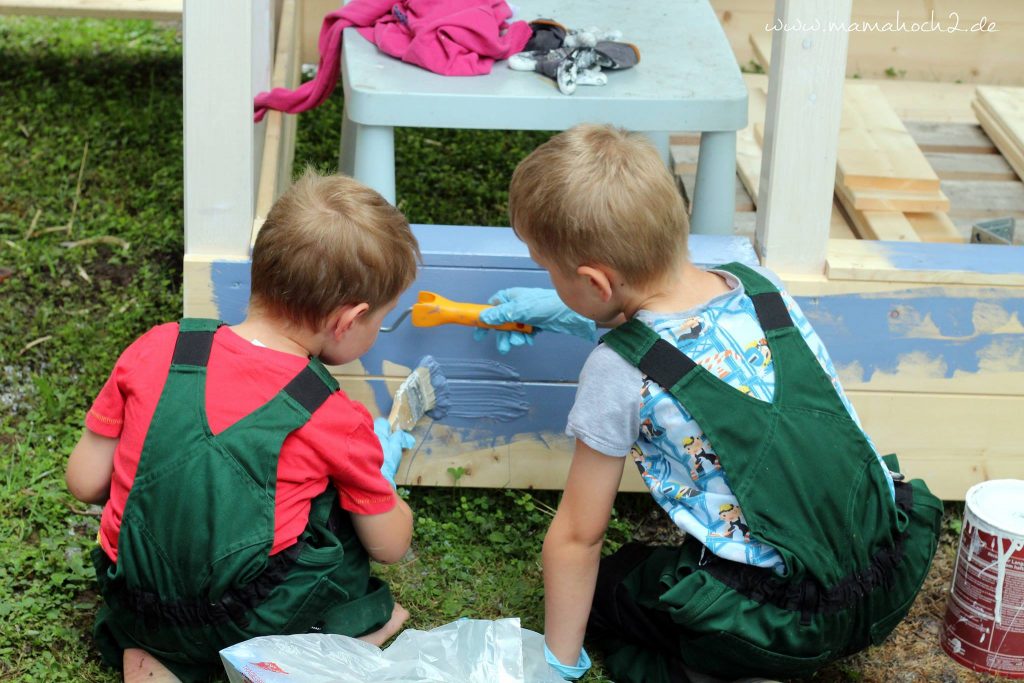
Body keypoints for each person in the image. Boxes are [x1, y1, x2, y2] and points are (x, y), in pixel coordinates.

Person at [475, 125, 943, 682]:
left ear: (596, 283)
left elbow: (580, 534)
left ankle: (727, 669)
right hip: (883, 577)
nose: (548, 283)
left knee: (611, 587)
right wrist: (572, 316)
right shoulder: (763, 292)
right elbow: (682, 347)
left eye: (547, 272)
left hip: (772, 622)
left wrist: (559, 661)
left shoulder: (613, 371)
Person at [65, 171, 420, 683]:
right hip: (244, 622)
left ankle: (151, 657)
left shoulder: (159, 348)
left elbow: (84, 481)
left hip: (135, 601)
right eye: (378, 321)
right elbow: (389, 547)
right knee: (340, 533)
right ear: (348, 320)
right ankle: (315, 647)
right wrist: (380, 479)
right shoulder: (333, 414)